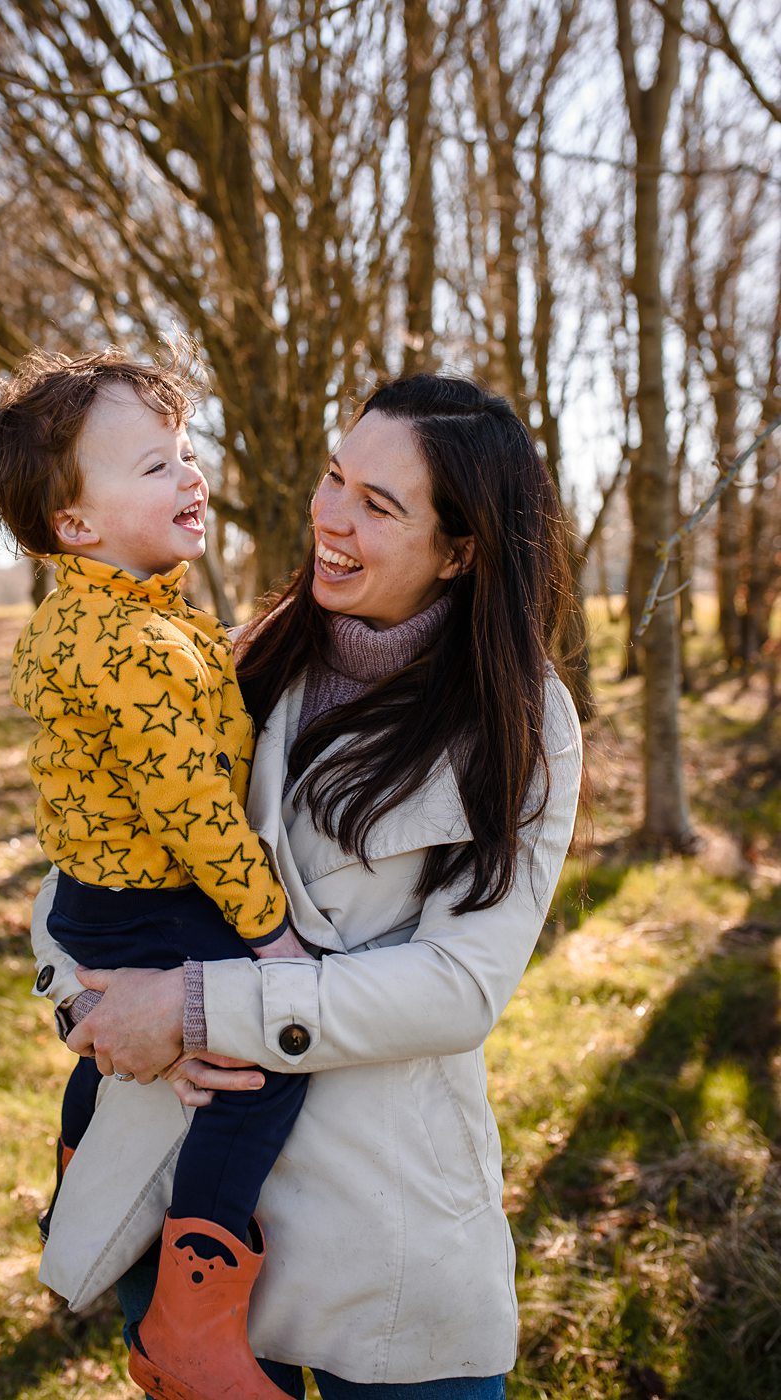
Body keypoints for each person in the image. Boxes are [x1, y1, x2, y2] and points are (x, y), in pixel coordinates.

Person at [29, 372, 584, 1400]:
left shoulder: (520, 721)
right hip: (185, 1199)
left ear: (459, 549)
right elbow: (93, 857)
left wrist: (198, 1007)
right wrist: (89, 1006)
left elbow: (460, 987)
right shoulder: (244, 653)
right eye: (335, 477)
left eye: (379, 504)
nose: (331, 515)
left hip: (381, 1228)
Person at [0, 346, 312, 1400]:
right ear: (75, 523)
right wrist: (272, 937)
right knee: (263, 1064)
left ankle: (82, 1177)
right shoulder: (134, 647)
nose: (190, 475)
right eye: (155, 466)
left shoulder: (113, 616)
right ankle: (191, 1320)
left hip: (102, 898)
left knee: (124, 1059)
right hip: (156, 899)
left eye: (186, 452)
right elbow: (196, 816)